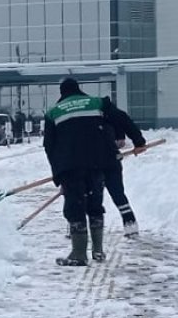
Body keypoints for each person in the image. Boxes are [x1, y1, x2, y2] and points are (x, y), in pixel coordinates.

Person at [43, 78, 139, 265]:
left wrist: (59, 175)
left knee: (75, 207)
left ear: (62, 94)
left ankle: (79, 255)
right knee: (95, 204)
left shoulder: (53, 113)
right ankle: (98, 251)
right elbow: (122, 118)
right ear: (79, 90)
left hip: (71, 167)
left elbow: (49, 146)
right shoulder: (98, 103)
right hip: (99, 163)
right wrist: (138, 140)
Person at [101, 95, 148, 237]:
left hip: (93, 161)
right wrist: (139, 143)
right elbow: (130, 127)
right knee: (117, 193)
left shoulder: (95, 116)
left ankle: (77, 227)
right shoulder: (117, 113)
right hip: (111, 158)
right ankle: (130, 224)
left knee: (87, 195)